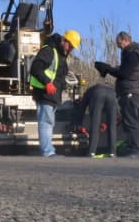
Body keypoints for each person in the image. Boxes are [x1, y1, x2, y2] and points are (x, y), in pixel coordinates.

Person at [29, 29, 80, 157]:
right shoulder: (49, 51)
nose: (71, 49)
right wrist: (47, 82)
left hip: (53, 95)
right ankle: (48, 151)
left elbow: (59, 76)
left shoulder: (61, 55)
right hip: (44, 93)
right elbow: (35, 68)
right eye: (70, 46)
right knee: (46, 122)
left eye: (73, 47)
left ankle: (48, 150)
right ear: (64, 41)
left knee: (48, 122)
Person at [97, 31, 139, 158]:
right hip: (129, 91)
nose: (119, 47)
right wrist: (110, 68)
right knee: (129, 121)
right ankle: (132, 147)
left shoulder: (133, 54)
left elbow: (125, 73)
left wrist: (108, 69)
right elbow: (124, 70)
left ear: (125, 40)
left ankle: (135, 149)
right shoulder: (132, 53)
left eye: (119, 44)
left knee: (131, 121)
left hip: (131, 91)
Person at [73, 82, 118, 158]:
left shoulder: (89, 91)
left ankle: (91, 152)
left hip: (98, 94)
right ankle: (113, 152)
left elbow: (82, 107)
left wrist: (78, 123)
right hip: (112, 94)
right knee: (112, 126)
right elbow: (117, 112)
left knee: (95, 124)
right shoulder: (111, 89)